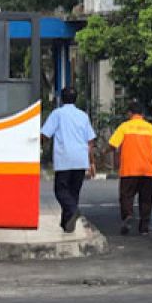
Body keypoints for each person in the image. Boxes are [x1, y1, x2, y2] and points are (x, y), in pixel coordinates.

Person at [108, 101, 152, 236]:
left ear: (130, 114)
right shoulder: (150, 128)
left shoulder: (124, 127)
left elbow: (113, 144)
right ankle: (144, 227)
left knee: (126, 196)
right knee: (146, 199)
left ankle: (128, 216)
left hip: (129, 169)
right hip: (147, 170)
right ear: (142, 114)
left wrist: (104, 153)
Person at [40, 87, 96, 232]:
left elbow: (45, 134)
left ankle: (73, 210)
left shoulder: (57, 114)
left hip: (64, 159)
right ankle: (67, 225)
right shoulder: (83, 115)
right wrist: (92, 162)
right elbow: (90, 141)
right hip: (81, 159)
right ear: (76, 99)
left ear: (61, 99)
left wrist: (38, 145)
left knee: (60, 191)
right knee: (73, 192)